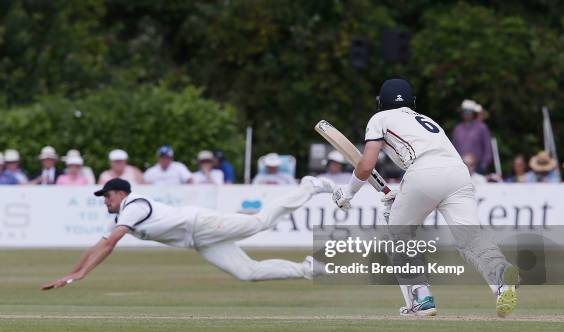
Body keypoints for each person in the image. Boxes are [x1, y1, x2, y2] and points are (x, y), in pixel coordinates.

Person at [331, 79, 518, 318]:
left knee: (399, 234)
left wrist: (348, 193)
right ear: (412, 102)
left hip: (422, 172)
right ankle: (501, 278)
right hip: (458, 173)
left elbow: (366, 165)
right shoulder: (428, 120)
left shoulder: (379, 118)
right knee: (470, 238)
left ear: (381, 102)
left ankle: (421, 299)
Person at [41, 176, 333, 290]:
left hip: (200, 225)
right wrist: (72, 274)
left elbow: (110, 245)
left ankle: (308, 187)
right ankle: (307, 269)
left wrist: (83, 274)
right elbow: (98, 245)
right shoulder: (122, 214)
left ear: (119, 193)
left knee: (260, 223)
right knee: (248, 273)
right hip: (198, 241)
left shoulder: (133, 205)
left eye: (106, 196)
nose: (105, 201)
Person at [452, 99, 492, 174]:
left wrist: (484, 165)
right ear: (462, 112)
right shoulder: (457, 129)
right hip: (460, 168)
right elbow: (453, 148)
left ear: (473, 113)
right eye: (465, 111)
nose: (466, 113)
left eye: (469, 111)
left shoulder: (482, 128)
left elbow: (487, 148)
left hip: (478, 168)